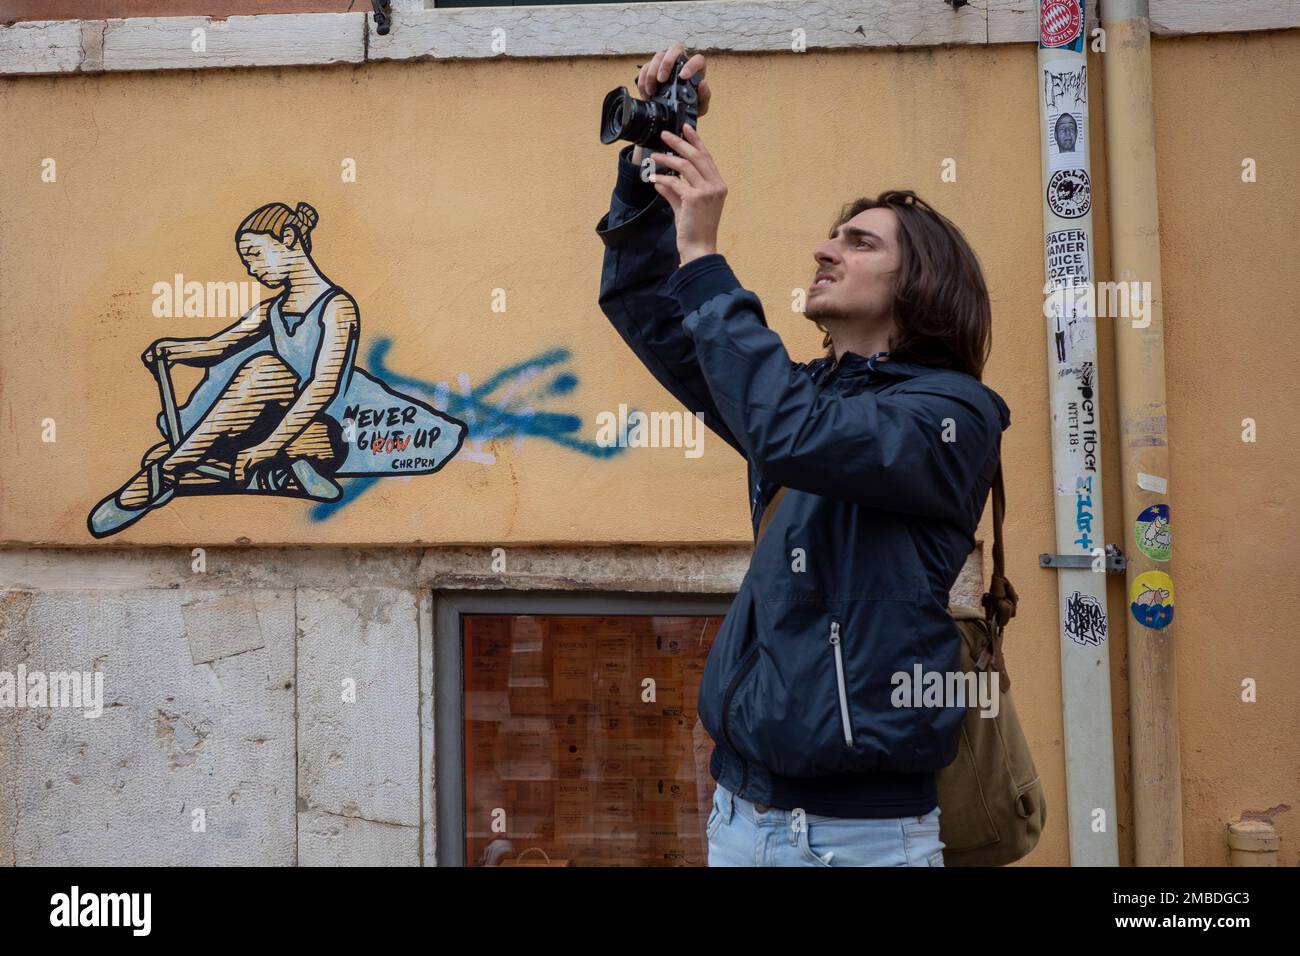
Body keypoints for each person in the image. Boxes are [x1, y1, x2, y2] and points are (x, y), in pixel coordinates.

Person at [595, 43, 1011, 866]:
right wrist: (654, 164)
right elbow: (646, 306)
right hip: (742, 818)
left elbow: (789, 431)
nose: (825, 252)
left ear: (920, 284)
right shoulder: (803, 396)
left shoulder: (952, 416)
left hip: (861, 840)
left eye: (859, 244)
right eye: (831, 238)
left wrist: (710, 256)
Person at [88, 201, 465, 538]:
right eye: (245, 260)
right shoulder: (272, 310)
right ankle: (285, 470)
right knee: (230, 400)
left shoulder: (337, 308)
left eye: (254, 254)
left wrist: (269, 445)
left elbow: (323, 387)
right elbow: (217, 347)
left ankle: (162, 477)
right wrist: (173, 350)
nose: (251, 268)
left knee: (265, 368)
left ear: (288, 238)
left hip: (322, 429)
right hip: (273, 428)